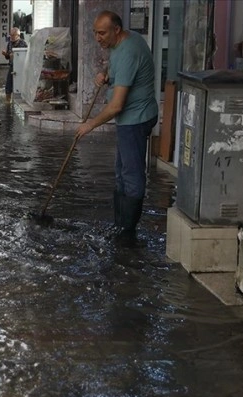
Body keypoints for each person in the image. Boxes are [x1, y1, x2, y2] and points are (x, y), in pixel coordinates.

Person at [75, 10, 158, 244]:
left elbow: (116, 106)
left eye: (101, 33)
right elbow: (120, 72)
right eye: (94, 33)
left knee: (131, 175)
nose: (97, 38)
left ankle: (128, 233)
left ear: (117, 30)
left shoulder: (129, 51)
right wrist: (107, 76)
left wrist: (89, 125)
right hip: (130, 119)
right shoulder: (119, 45)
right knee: (121, 172)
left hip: (135, 119)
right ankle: (119, 225)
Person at [1, 27, 27, 104]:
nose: (11, 37)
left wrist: (16, 56)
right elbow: (8, 57)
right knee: (8, 83)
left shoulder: (23, 44)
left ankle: (20, 99)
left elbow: (25, 56)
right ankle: (8, 100)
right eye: (10, 35)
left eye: (13, 35)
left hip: (21, 67)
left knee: (19, 84)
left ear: (18, 35)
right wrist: (6, 54)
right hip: (12, 66)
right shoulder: (9, 43)